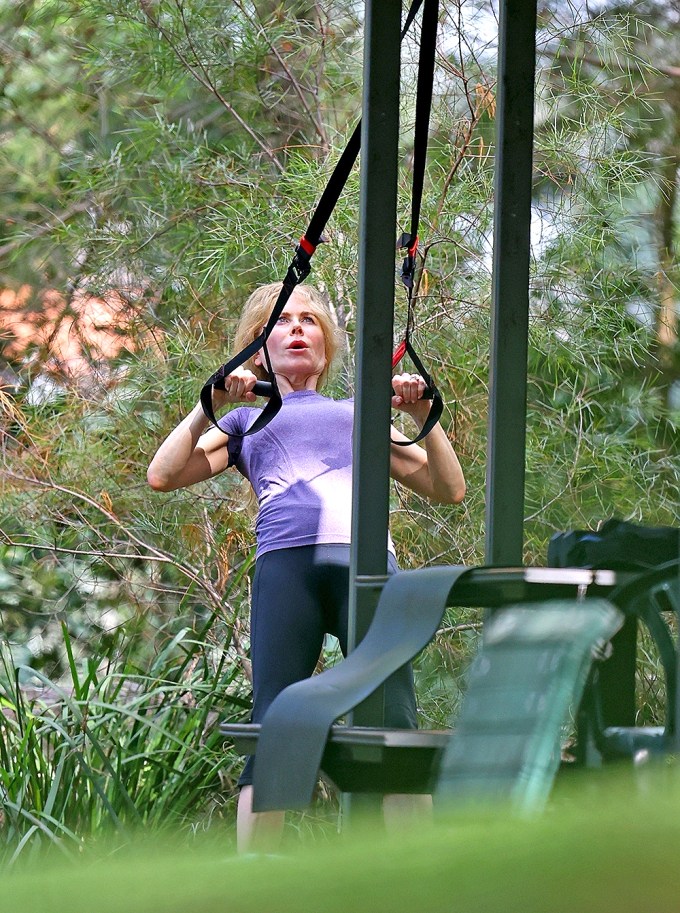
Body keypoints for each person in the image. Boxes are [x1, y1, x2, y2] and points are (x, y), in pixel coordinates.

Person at [147, 282, 466, 852]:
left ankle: (418, 874)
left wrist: (424, 414)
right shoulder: (247, 422)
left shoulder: (358, 414)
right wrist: (210, 403)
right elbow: (164, 474)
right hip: (286, 571)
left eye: (310, 321)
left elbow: (449, 487)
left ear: (326, 346)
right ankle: (256, 874)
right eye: (283, 322)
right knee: (275, 717)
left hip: (365, 568)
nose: (297, 328)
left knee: (394, 716)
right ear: (258, 349)